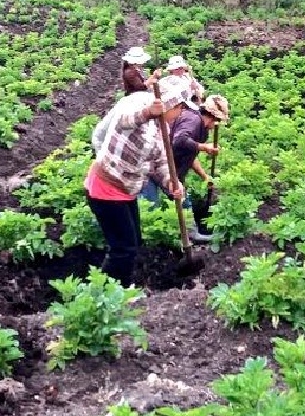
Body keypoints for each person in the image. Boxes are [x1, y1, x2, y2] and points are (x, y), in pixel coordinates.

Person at [87, 75, 188, 285]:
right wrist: (148, 112)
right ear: (172, 104)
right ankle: (106, 294)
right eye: (180, 108)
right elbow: (123, 120)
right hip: (106, 186)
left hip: (126, 191)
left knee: (134, 242)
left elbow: (160, 162)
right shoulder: (139, 101)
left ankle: (120, 286)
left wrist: (172, 183)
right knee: (123, 248)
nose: (180, 114)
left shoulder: (164, 129)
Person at [170, 93, 229, 243]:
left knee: (179, 198)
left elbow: (190, 155)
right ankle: (190, 236)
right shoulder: (193, 120)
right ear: (213, 117)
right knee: (177, 200)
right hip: (160, 168)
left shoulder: (199, 125)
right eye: (218, 121)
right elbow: (179, 140)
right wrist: (204, 147)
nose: (216, 125)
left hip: (174, 168)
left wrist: (204, 176)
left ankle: (187, 233)